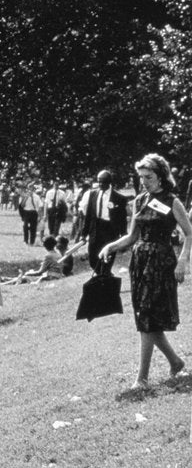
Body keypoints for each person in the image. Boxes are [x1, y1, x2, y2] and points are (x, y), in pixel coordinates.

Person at [99, 154, 192, 389]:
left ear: (160, 176)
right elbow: (132, 237)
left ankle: (141, 378)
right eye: (141, 177)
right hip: (140, 262)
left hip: (161, 262)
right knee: (147, 317)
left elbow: (189, 233)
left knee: (147, 317)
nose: (144, 182)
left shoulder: (173, 201)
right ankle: (176, 362)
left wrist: (183, 261)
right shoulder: (140, 200)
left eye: (148, 177)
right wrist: (110, 246)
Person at [81, 170, 129, 275]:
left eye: (104, 182)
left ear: (109, 182)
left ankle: (105, 278)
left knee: (107, 258)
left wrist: (123, 235)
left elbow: (122, 218)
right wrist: (83, 234)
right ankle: (102, 274)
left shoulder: (119, 198)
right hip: (95, 228)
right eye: (99, 181)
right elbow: (88, 215)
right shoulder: (93, 194)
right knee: (93, 258)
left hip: (110, 230)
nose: (101, 184)